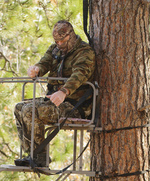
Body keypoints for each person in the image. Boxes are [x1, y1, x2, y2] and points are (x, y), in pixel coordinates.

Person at [14, 20, 95, 168]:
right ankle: (33, 154)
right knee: (19, 107)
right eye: (56, 41)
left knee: (30, 110)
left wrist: (64, 91)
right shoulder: (56, 49)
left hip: (75, 106)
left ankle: (40, 157)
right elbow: (45, 62)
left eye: (62, 41)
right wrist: (37, 69)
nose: (59, 44)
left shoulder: (85, 52)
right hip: (54, 100)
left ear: (71, 36)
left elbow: (80, 74)